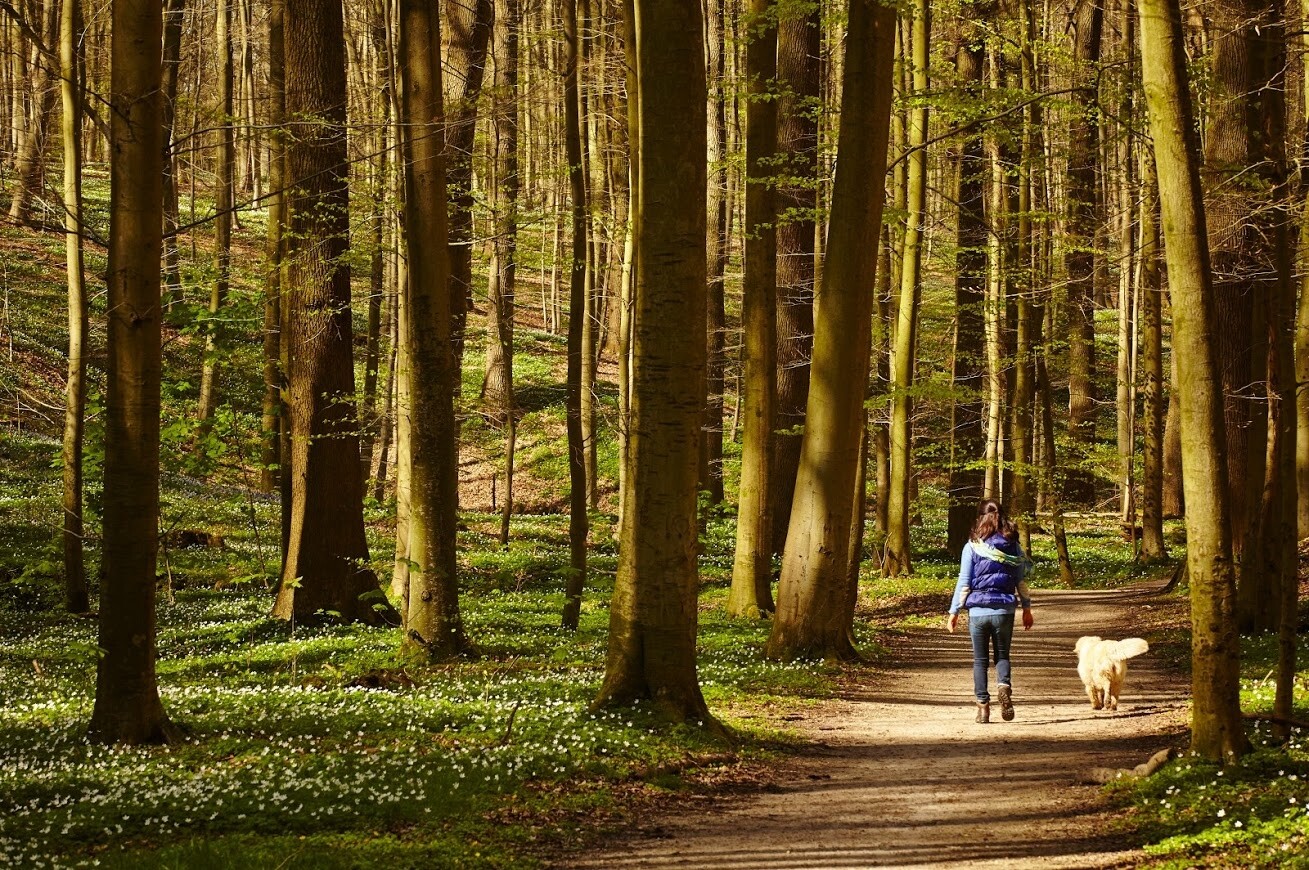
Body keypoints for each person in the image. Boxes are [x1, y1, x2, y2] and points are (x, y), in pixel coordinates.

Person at [945, 499, 1034, 723]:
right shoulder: (1013, 544)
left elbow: (964, 582)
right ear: (1001, 517)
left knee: (980, 661)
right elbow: (1020, 579)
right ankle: (1004, 687)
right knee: (1002, 655)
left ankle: (983, 708)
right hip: (1004, 609)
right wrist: (1026, 607)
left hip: (978, 612)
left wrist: (954, 611)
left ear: (980, 518)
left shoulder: (972, 545)